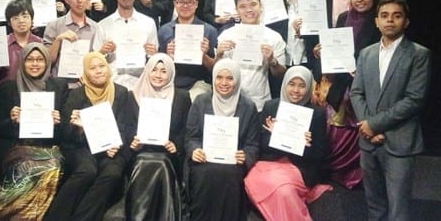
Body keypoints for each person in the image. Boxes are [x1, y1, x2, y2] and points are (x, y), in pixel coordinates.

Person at [350, 0, 431, 221]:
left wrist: (373, 124)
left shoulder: (418, 54)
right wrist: (367, 127)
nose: (390, 21)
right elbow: (357, 92)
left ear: (406, 22)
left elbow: (414, 100)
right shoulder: (366, 53)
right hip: (368, 142)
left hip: (400, 141)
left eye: (397, 16)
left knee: (399, 209)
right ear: (376, 21)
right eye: (384, 16)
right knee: (374, 205)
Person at [0, 43, 68, 219]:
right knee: (26, 167)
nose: (35, 64)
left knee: (52, 167)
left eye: (40, 59)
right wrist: (11, 120)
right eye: (30, 60)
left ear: (47, 62)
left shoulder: (58, 87)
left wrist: (58, 122)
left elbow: (65, 130)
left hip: (47, 147)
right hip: (15, 146)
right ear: (22, 62)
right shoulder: (7, 87)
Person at [45, 52, 138, 221]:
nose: (98, 71)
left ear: (108, 68)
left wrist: (116, 144)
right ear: (86, 73)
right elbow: (65, 132)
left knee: (112, 173)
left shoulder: (122, 93)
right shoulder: (76, 94)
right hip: (81, 147)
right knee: (87, 170)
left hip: (113, 148)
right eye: (92, 68)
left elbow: (127, 127)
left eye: (101, 66)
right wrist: (80, 129)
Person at [312, 0, 382, 189]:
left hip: (364, 84)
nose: (359, 0)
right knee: (333, 124)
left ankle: (353, 173)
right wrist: (320, 51)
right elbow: (334, 44)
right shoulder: (344, 17)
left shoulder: (378, 20)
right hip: (339, 80)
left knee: (355, 126)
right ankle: (333, 169)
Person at [244, 66, 332, 221]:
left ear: (309, 88)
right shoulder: (271, 106)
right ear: (284, 84)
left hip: (300, 167)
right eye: (292, 84)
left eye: (302, 85)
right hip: (271, 163)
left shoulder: (317, 113)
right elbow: (261, 146)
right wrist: (273, 134)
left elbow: (320, 155)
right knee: (250, 181)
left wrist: (306, 145)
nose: (296, 90)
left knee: (283, 191)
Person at [185, 58, 259, 221]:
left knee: (229, 174)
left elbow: (252, 144)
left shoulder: (248, 107)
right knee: (205, 172)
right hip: (204, 158)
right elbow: (191, 136)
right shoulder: (200, 101)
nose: (224, 83)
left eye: (230, 78)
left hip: (233, 163)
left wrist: (246, 156)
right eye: (219, 77)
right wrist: (194, 150)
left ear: (237, 80)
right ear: (213, 79)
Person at [126, 53, 191, 221]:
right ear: (147, 71)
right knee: (145, 162)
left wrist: (176, 146)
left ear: (170, 73)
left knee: (161, 162)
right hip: (138, 154)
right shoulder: (132, 95)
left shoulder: (182, 97)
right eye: (154, 70)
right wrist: (132, 144)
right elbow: (126, 128)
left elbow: (187, 130)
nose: (158, 75)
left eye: (163, 71)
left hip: (169, 155)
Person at [216, 0, 286, 112]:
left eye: (253, 4)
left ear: (261, 6)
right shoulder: (226, 35)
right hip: (228, 100)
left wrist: (272, 61)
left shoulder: (274, 37)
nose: (248, 10)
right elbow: (216, 71)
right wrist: (219, 55)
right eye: (242, 6)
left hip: (259, 102)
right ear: (236, 10)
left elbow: (281, 73)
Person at [92, 0, 159, 90]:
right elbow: (95, 58)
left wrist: (154, 53)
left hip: (140, 85)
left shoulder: (148, 23)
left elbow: (154, 58)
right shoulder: (103, 25)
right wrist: (103, 51)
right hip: (112, 85)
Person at [158, 0, 218, 100]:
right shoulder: (164, 30)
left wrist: (203, 55)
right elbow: (159, 64)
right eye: (180, 1)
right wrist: (168, 56)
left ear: (196, 4)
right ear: (175, 3)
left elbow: (215, 68)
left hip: (199, 83)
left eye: (190, 2)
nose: (185, 6)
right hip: (170, 83)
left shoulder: (209, 30)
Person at [0, 0, 43, 97]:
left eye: (25, 16)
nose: (21, 20)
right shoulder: (0, 45)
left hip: (35, 96)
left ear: (32, 20)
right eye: (15, 18)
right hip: (6, 96)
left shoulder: (41, 44)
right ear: (9, 22)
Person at [43, 0, 101, 88]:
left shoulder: (96, 28)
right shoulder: (54, 25)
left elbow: (96, 59)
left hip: (87, 85)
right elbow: (47, 61)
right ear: (67, 0)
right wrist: (58, 40)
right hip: (59, 86)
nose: (79, 0)